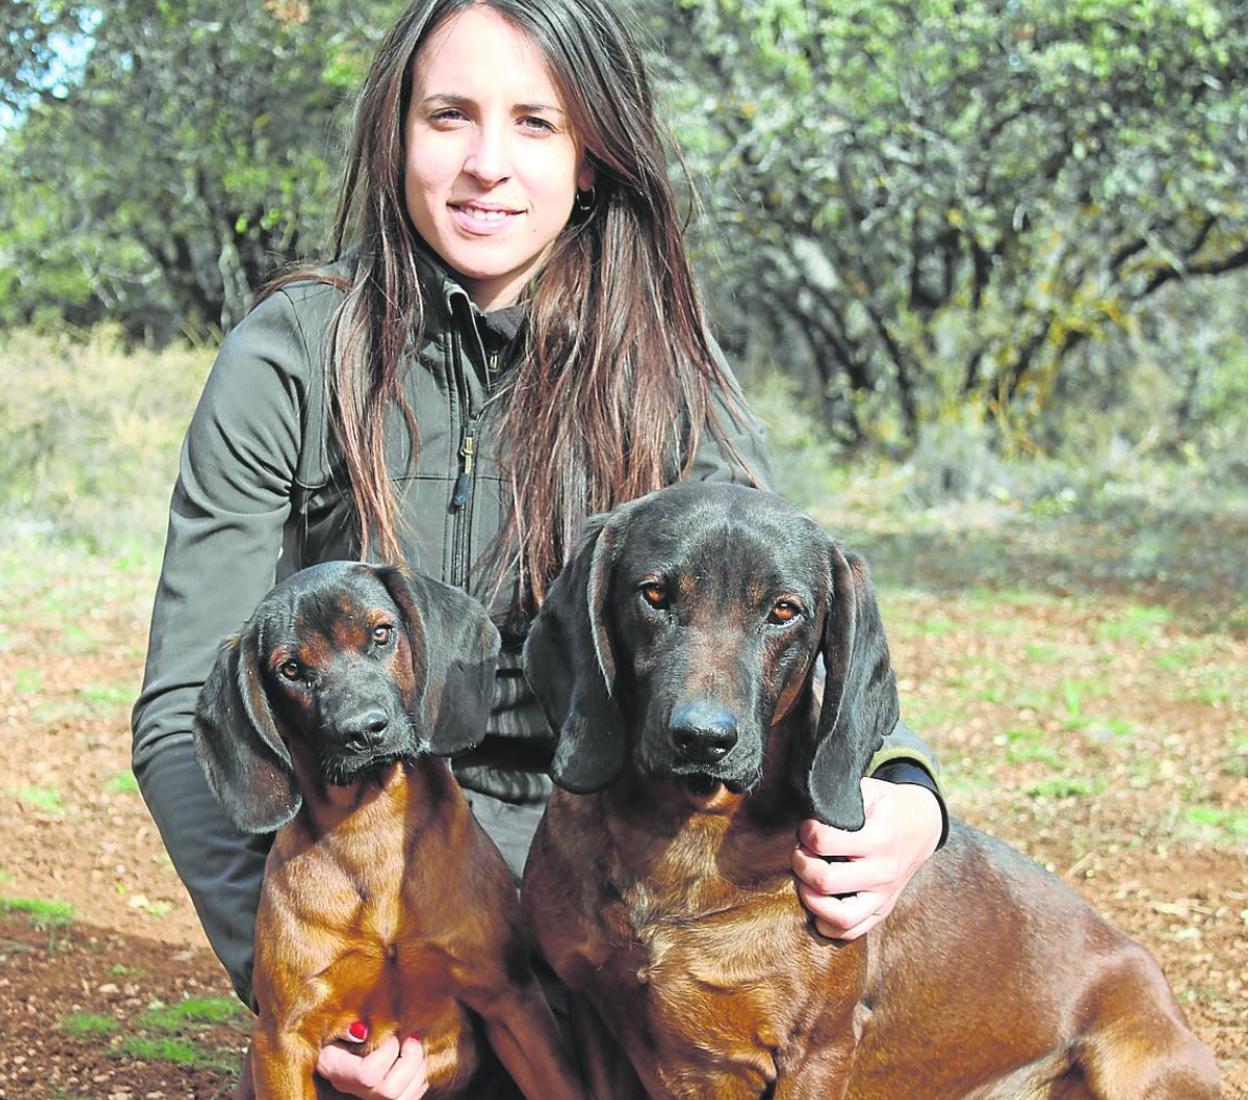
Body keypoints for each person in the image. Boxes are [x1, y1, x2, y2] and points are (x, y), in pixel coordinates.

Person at [131, 2, 947, 1097]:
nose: (485, 164)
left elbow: (774, 614)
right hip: (368, 879)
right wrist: (289, 976)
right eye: (448, 116)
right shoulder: (290, 351)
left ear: (595, 155)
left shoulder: (671, 374)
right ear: (394, 133)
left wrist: (909, 788)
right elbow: (188, 698)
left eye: (536, 123)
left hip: (596, 879)